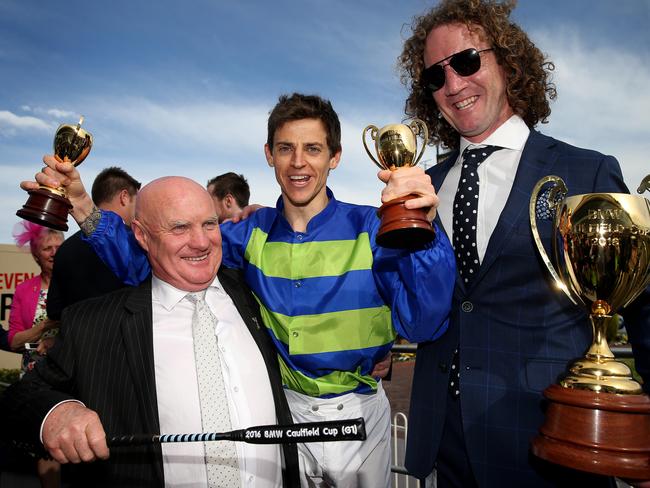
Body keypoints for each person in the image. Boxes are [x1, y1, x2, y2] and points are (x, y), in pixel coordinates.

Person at [24, 93, 456, 487]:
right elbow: (152, 259)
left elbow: (426, 320)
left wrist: (426, 228)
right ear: (269, 155)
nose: (298, 163)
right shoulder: (248, 233)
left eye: (313, 149)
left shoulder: (375, 227)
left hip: (361, 415)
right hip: (282, 417)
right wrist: (81, 204)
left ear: (336, 157)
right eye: (286, 148)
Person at [397, 0, 650, 486]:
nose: (452, 84)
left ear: (509, 64)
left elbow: (644, 305)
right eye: (435, 76)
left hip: (552, 439)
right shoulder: (420, 184)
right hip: (442, 443)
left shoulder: (587, 171)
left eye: (467, 62)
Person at [1, 177, 300, 488]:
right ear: (141, 235)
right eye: (180, 228)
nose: (201, 242)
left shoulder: (257, 296)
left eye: (209, 224)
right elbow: (20, 399)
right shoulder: (94, 323)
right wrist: (58, 413)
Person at [7, 221, 64, 488]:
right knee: (46, 444)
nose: (53, 253)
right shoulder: (23, 290)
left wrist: (59, 339)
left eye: (58, 247)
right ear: (36, 255)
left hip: (70, 373)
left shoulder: (76, 286)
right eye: (47, 248)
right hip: (36, 377)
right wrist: (43, 327)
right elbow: (15, 340)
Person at [46, 166, 141, 321]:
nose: (138, 210)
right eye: (137, 201)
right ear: (124, 196)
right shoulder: (135, 245)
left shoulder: (65, 249)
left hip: (73, 339)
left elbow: (54, 310)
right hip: (123, 340)